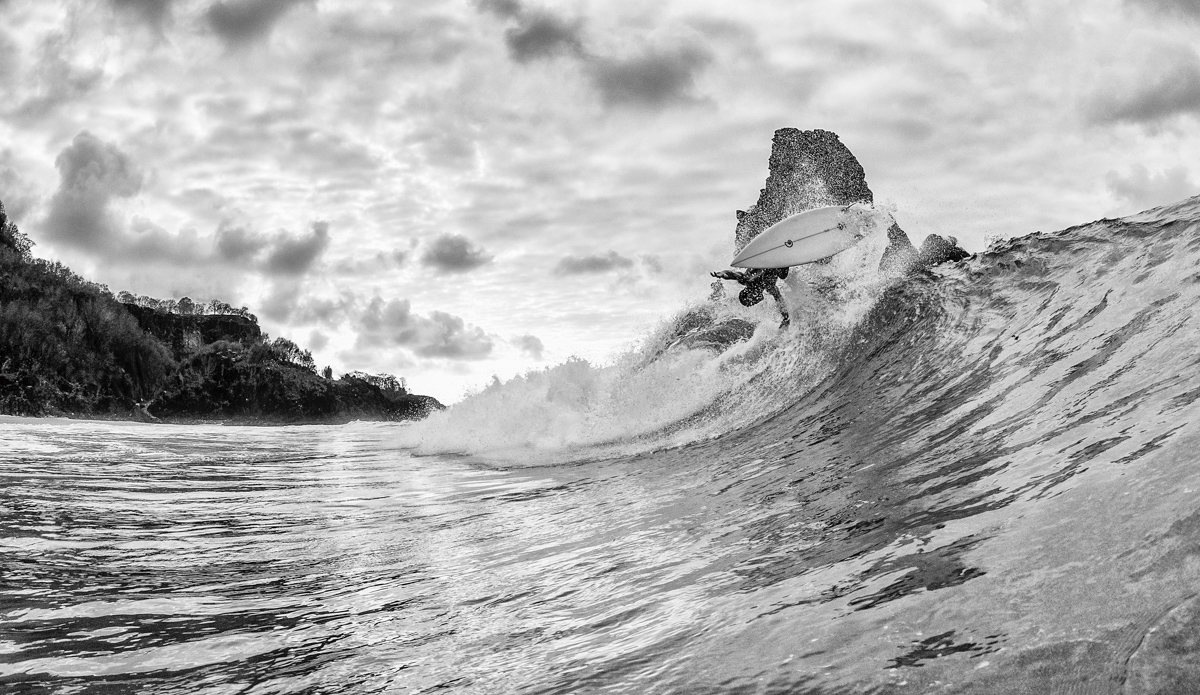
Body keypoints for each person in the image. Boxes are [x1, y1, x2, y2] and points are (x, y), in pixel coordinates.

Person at [710, 266, 791, 328]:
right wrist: (785, 318)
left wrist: (722, 274)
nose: (755, 302)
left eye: (752, 302)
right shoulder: (769, 287)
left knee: (783, 275)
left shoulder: (747, 280)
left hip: (766, 261)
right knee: (782, 275)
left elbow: (732, 274)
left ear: (750, 294)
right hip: (776, 264)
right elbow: (779, 300)